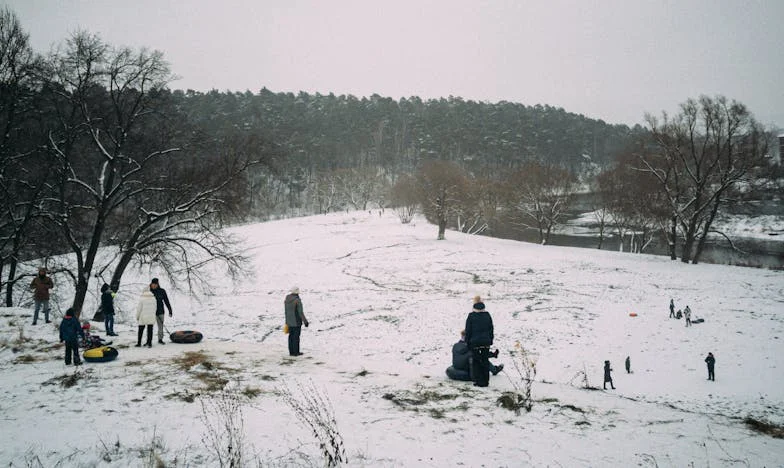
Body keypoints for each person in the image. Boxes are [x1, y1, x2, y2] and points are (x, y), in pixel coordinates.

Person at [465, 297, 494, 387]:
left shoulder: (471, 316)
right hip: (486, 342)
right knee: (485, 360)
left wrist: (467, 342)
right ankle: (485, 381)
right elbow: (491, 329)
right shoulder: (487, 315)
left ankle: (478, 381)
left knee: (476, 362)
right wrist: (490, 340)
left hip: (474, 343)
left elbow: (468, 330)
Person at [284, 286, 308, 356]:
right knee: (296, 338)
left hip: (289, 322)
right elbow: (300, 312)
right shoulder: (297, 300)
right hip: (296, 322)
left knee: (291, 337)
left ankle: (291, 352)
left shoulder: (286, 299)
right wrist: (305, 321)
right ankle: (296, 352)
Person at [149, 278, 173, 344]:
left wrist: (170, 310)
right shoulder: (148, 291)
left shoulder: (162, 291)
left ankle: (160, 339)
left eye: (155, 284)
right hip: (151, 312)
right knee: (149, 327)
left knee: (160, 326)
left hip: (160, 311)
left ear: (157, 284)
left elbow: (166, 301)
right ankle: (149, 341)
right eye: (153, 284)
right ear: (151, 284)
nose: (154, 285)